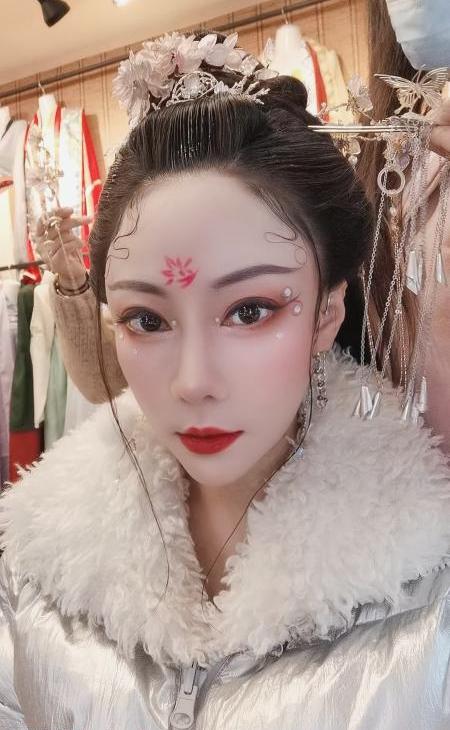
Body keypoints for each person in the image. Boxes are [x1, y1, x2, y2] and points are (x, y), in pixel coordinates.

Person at [1, 30, 450, 730]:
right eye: (147, 320)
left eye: (249, 311)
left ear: (327, 313)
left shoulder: (426, 592)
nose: (193, 383)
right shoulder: (33, 568)